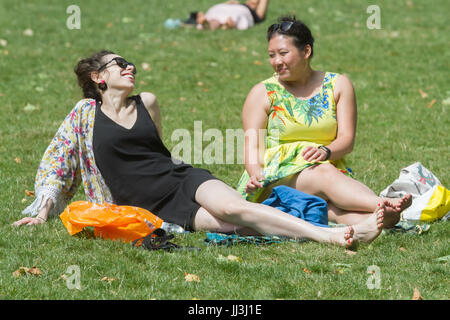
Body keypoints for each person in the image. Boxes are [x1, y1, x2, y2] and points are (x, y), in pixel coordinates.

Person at [13, 50, 385, 248]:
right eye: (119, 64)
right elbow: (58, 162)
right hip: (147, 206)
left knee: (235, 207)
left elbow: (157, 152)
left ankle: (336, 237)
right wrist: (44, 209)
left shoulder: (148, 102)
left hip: (180, 179)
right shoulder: (84, 114)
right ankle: (336, 221)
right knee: (236, 228)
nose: (130, 67)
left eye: (130, 63)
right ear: (98, 78)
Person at [236, 16, 412, 229]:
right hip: (275, 177)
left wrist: (326, 152)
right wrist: (255, 174)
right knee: (323, 173)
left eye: (283, 53)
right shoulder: (262, 93)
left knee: (331, 206)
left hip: (328, 168)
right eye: (272, 55)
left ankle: (381, 219)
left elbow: (347, 140)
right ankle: (381, 202)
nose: (277, 61)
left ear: (306, 51)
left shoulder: (338, 85)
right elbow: (252, 146)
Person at [196, 0, 268, 30]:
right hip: (229, 8)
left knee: (235, 16)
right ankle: (210, 24)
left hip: (241, 12)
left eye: (255, 2)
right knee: (218, 15)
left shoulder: (255, 14)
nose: (252, 1)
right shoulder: (238, 3)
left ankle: (226, 25)